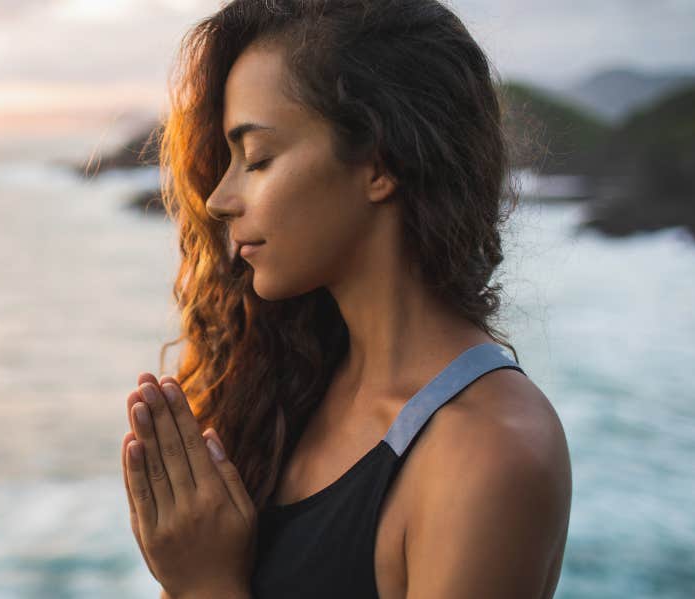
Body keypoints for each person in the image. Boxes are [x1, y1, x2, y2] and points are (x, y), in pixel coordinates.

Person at [119, 1, 573, 597]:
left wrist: (205, 583)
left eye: (257, 158)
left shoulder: (487, 454)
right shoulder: (290, 384)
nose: (219, 198)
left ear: (378, 163)